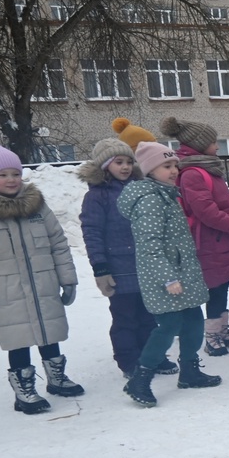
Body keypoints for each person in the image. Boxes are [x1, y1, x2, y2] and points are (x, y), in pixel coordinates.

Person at [0, 144, 83, 414]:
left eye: (15, 174)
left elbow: (58, 243)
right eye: (2, 175)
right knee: (17, 338)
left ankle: (56, 378)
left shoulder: (37, 206)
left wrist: (68, 279)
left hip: (43, 284)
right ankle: (24, 390)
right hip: (6, 291)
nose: (11, 180)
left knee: (49, 331)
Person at [117, 141, 222, 406]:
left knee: (195, 321)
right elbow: (149, 245)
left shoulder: (167, 194)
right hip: (165, 278)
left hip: (183, 273)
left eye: (175, 164)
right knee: (169, 326)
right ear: (150, 169)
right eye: (166, 166)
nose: (174, 170)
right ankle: (140, 378)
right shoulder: (150, 200)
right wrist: (168, 278)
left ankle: (189, 371)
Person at [78, 133, 176, 379]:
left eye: (128, 162)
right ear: (104, 166)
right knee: (125, 318)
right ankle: (129, 361)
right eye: (117, 162)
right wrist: (100, 267)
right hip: (119, 267)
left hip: (145, 265)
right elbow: (92, 232)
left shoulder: (141, 189)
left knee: (149, 315)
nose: (124, 167)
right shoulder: (97, 196)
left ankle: (152, 356)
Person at [160, 116, 229, 355]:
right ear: (199, 144)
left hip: (219, 240)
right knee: (214, 287)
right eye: (213, 142)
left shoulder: (206, 168)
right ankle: (212, 335)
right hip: (209, 241)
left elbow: (217, 203)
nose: (218, 146)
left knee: (221, 286)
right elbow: (206, 212)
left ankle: (221, 329)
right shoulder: (193, 172)